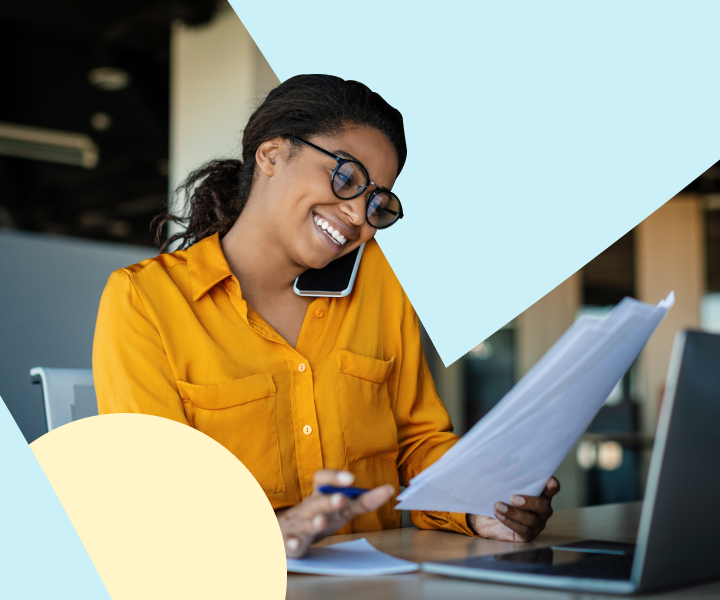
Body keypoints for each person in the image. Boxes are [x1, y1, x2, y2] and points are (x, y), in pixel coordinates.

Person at [93, 74, 559, 558]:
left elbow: (417, 443)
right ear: (272, 155)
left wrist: (476, 504)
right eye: (347, 177)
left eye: (376, 200)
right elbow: (153, 502)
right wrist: (272, 531)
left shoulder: (380, 285)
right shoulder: (146, 300)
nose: (359, 215)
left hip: (384, 586)